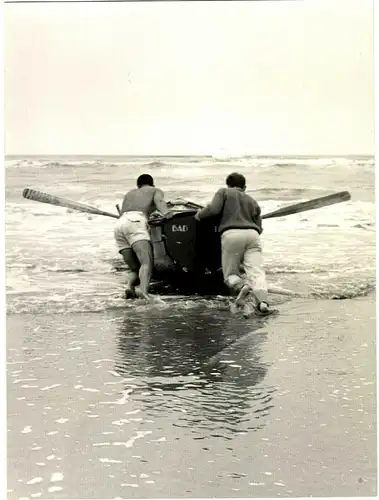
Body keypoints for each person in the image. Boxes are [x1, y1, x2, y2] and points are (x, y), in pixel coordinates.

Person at [194, 172, 270, 315]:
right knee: (257, 272)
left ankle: (242, 286)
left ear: (228, 184)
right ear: (244, 187)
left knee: (230, 274)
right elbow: (259, 225)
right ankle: (263, 302)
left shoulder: (224, 192)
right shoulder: (252, 200)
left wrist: (199, 215)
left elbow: (213, 209)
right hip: (253, 235)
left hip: (232, 234)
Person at [114, 174, 170, 302]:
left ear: (138, 185)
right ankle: (143, 292)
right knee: (146, 262)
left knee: (135, 267)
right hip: (136, 222)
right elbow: (161, 206)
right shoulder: (155, 190)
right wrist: (168, 215)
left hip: (120, 224)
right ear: (152, 184)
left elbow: (125, 213)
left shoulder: (129, 193)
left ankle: (130, 287)